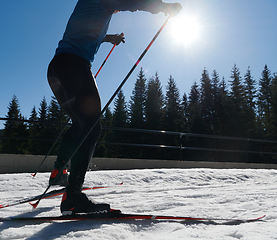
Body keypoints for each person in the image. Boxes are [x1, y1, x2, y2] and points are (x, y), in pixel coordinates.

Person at [47, 0, 181, 215]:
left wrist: (110, 39)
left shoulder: (89, 7)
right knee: (92, 126)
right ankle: (72, 198)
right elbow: (133, 2)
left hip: (57, 69)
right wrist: (164, 6)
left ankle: (58, 171)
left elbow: (88, 32)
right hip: (74, 65)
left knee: (80, 124)